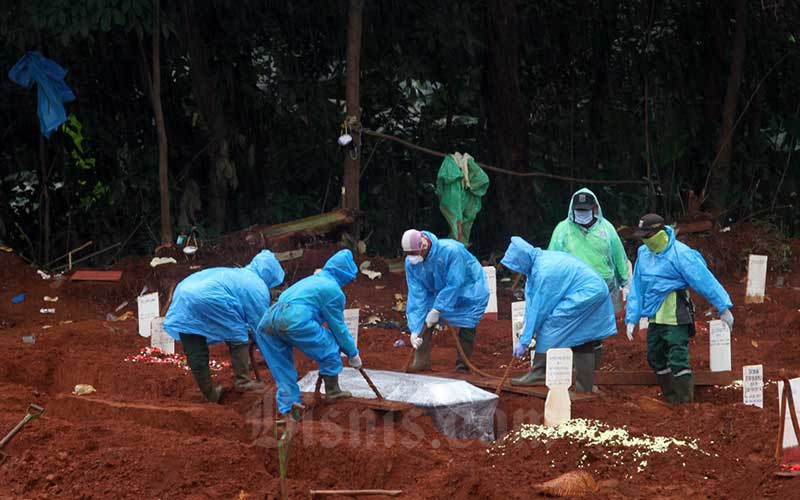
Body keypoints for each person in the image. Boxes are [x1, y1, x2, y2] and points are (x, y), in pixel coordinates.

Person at [625, 214, 734, 404]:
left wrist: (723, 306)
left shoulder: (680, 254)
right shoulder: (643, 254)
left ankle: (685, 401)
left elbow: (704, 280)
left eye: (648, 235)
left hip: (676, 314)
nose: (645, 240)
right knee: (655, 355)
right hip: (655, 316)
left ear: (659, 232)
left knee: (677, 356)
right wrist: (631, 318)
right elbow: (638, 287)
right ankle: (671, 397)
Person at [254, 249, 362, 421]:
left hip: (268, 321)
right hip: (294, 319)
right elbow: (338, 328)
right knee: (329, 346)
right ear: (345, 275)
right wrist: (352, 353)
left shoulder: (312, 280)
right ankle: (333, 391)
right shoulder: (334, 291)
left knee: (282, 368)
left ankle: (290, 410)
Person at [164, 250, 285, 403]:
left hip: (183, 293)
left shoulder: (237, 274)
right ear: (270, 274)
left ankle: (210, 394)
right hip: (210, 296)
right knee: (238, 335)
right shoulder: (257, 285)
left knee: (194, 341)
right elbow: (260, 326)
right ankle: (243, 381)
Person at [501, 237, 617, 392]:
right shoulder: (538, 263)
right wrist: (526, 334)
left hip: (587, 293)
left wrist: (525, 340)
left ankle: (539, 372)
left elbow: (540, 309)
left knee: (552, 324)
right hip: (592, 290)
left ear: (522, 260)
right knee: (582, 336)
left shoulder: (543, 271)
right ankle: (585, 387)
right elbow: (533, 303)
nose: (516, 270)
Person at [544, 188, 629, 383]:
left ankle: (592, 374)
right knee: (572, 331)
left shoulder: (606, 230)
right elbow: (552, 258)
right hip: (571, 291)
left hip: (601, 290)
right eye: (578, 210)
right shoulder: (562, 230)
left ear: (595, 208)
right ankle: (572, 373)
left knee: (595, 333)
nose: (582, 214)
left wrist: (625, 283)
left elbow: (619, 257)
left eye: (586, 209)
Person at [402, 229, 489, 372]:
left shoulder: (451, 251)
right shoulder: (412, 263)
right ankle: (421, 362)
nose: (412, 257)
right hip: (438, 290)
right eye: (409, 254)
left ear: (424, 246)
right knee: (424, 318)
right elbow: (416, 293)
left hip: (468, 289)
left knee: (468, 321)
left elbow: (455, 283)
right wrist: (414, 329)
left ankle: (463, 364)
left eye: (414, 253)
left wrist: (437, 309)